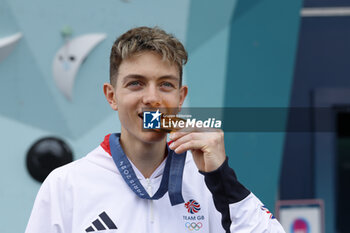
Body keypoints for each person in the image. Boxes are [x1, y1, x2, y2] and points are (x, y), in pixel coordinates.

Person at [25, 26, 285, 233]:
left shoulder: (209, 184)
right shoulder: (66, 184)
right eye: (136, 83)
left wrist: (222, 177)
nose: (152, 98)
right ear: (112, 96)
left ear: (181, 97)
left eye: (165, 85)